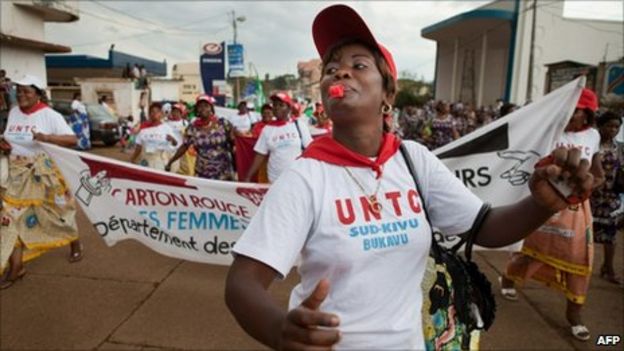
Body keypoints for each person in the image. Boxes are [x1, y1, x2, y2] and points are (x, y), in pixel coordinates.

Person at [224, 5, 596, 350]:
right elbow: (243, 283)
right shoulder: (305, 177)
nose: (341, 72)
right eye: (331, 67)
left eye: (359, 65)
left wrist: (541, 205)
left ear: (388, 94)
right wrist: (280, 330)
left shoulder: (413, 160)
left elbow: (486, 227)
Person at [501, 88, 605, 342]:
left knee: (579, 259)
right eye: (568, 108)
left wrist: (589, 184)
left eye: (577, 110)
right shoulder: (549, 129)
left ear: (587, 115)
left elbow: (599, 174)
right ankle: (508, 280)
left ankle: (575, 315)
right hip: (542, 201)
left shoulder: (593, 136)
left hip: (575, 208)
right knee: (526, 247)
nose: (570, 114)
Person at [0, 74, 82, 289]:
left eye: (27, 91)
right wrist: (6, 145)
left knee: (60, 212)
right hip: (16, 173)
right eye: (19, 90)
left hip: (43, 172)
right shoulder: (14, 112)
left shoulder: (50, 115)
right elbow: (11, 138)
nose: (21, 95)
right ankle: (16, 267)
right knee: (10, 216)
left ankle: (74, 240)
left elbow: (72, 139)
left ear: (38, 94)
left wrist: (46, 138)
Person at [243, 92, 312, 183]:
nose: (277, 108)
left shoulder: (299, 125)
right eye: (275, 105)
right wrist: (248, 177)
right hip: (275, 182)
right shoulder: (267, 129)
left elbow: (310, 149)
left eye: (281, 105)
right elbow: (260, 155)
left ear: (289, 108)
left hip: (297, 180)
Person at [165, 94, 236, 180]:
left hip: (224, 173)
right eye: (200, 106)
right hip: (202, 173)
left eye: (206, 106)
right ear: (196, 110)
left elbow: (234, 141)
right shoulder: (192, 128)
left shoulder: (223, 123)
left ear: (211, 108)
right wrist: (171, 162)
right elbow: (184, 146)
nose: (203, 109)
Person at [590, 111, 623, 284]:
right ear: (600, 126)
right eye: (609, 125)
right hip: (590, 195)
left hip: (611, 197)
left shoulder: (619, 147)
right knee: (585, 234)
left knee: (610, 235)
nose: (613, 130)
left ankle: (608, 268)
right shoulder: (592, 144)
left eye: (616, 127)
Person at [130, 102, 177, 170]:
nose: (154, 113)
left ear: (161, 114)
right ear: (149, 114)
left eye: (157, 111)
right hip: (144, 162)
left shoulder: (166, 128)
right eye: (152, 111)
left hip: (160, 162)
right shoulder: (144, 129)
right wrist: (132, 159)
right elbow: (138, 147)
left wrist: (172, 139)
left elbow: (175, 144)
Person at [164, 103, 189, 173]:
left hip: (177, 153)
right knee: (164, 170)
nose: (175, 113)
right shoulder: (166, 123)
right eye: (173, 111)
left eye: (177, 111)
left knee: (174, 171)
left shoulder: (185, 124)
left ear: (181, 113)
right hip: (166, 151)